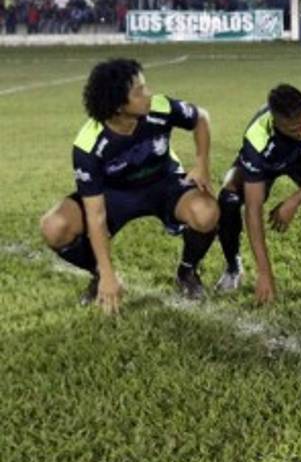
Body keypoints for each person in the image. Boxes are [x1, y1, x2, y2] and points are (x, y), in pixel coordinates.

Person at [39, 58, 220, 313]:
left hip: (163, 183)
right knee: (54, 226)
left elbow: (200, 117)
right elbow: (96, 214)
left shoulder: (159, 107)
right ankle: (100, 276)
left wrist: (202, 163)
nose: (148, 94)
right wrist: (106, 271)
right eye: (138, 91)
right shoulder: (88, 144)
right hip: (115, 196)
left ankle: (187, 272)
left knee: (207, 212)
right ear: (117, 106)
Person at [215, 84, 301, 305]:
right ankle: (233, 268)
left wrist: (293, 201)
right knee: (228, 198)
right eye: (296, 128)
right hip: (268, 164)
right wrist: (265, 273)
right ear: (277, 123)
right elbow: (253, 208)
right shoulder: (257, 137)